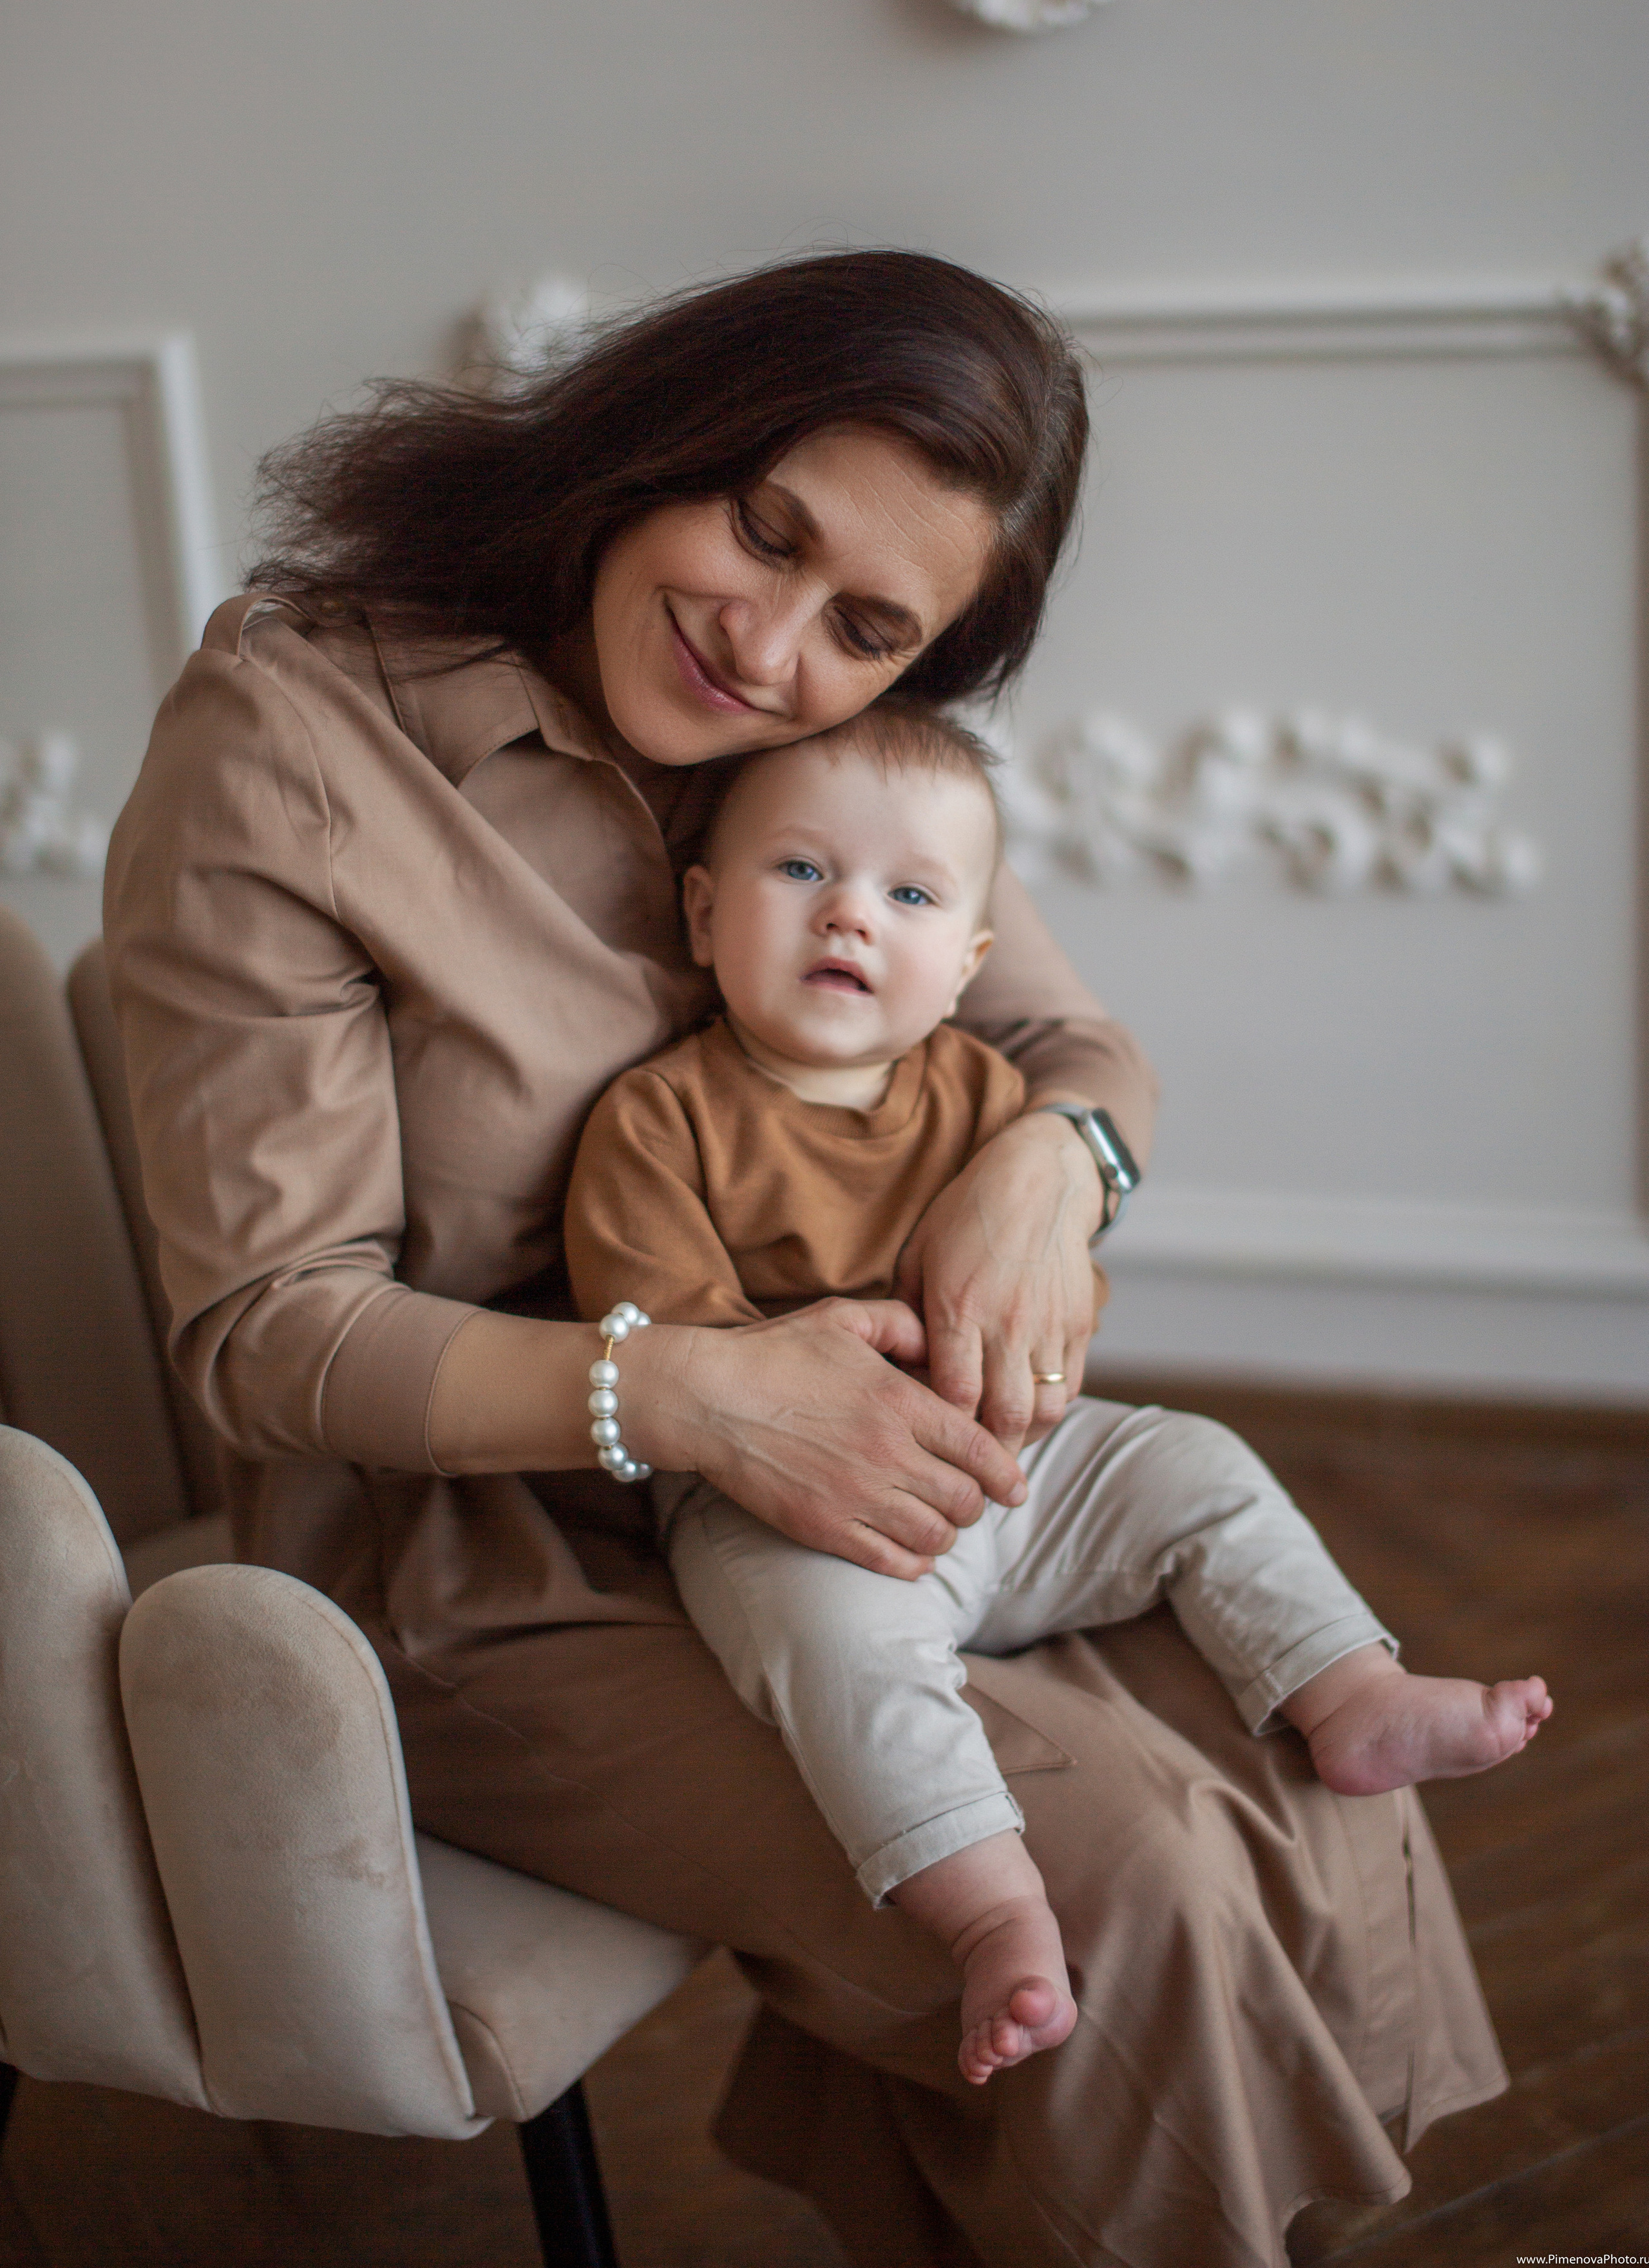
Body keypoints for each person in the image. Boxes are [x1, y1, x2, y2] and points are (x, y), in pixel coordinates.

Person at [104, 250, 1512, 2268]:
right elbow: (262, 1333)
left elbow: (1081, 1053)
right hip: (473, 1568)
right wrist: (680, 1388)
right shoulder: (301, 739)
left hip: (862, 1491)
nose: (765, 648)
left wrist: (1050, 1163)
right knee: (1128, 1879)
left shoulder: (840, 742)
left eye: (866, 626)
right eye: (762, 529)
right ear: (657, 427)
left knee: (1293, 1747)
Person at [563, 704, 1550, 2087]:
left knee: (1195, 1462)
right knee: (837, 1659)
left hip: (1017, 1475)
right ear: (702, 908)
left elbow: (1050, 1292)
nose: (849, 914)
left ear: (964, 962)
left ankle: (1351, 1692)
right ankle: (990, 1914)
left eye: (905, 895)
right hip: (786, 1508)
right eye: (801, 874)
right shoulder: (656, 1119)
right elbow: (664, 1337)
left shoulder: (985, 1098)